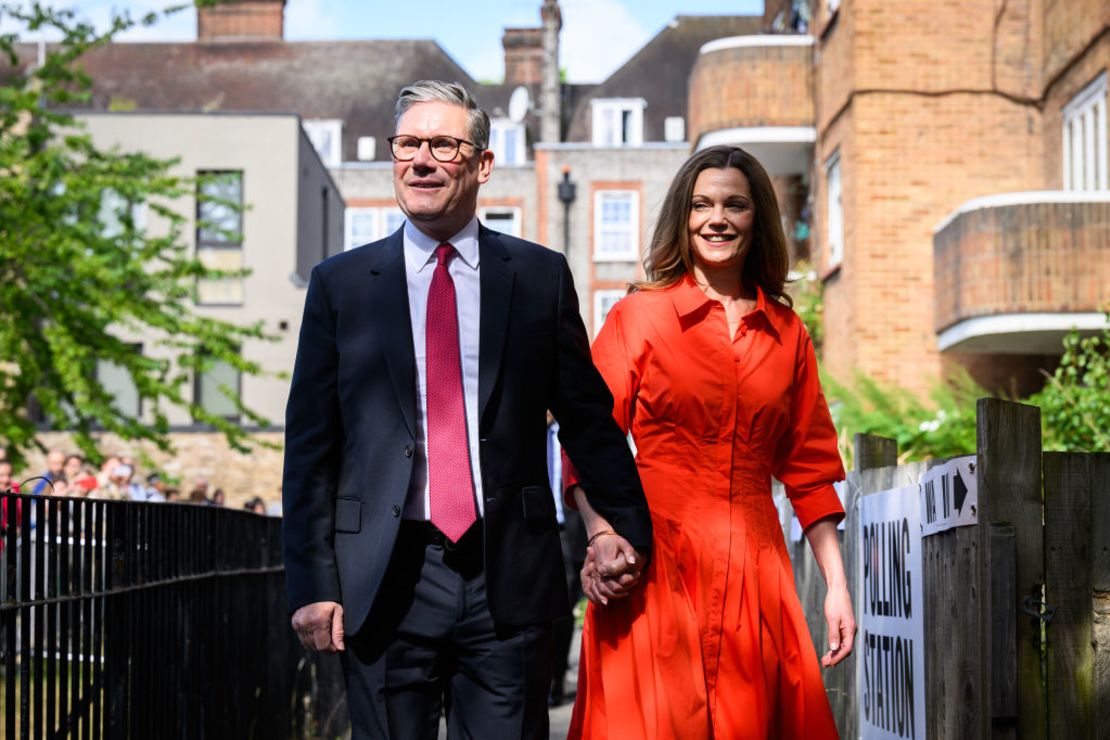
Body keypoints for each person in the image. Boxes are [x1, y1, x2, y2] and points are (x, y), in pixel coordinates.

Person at [282, 80, 651, 739]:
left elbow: (587, 418)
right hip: (383, 576)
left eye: (443, 144)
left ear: (482, 163)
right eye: (408, 144)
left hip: (507, 573)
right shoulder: (340, 286)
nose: (421, 160)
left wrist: (623, 527)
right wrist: (312, 582)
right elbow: (312, 447)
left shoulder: (538, 277)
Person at [565, 146, 855, 739]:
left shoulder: (788, 334)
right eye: (701, 204)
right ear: (683, 215)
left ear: (757, 220)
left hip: (757, 567)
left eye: (734, 205)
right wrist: (601, 534)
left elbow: (810, 470)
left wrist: (837, 588)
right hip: (654, 561)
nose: (716, 218)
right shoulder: (637, 317)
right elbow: (586, 441)